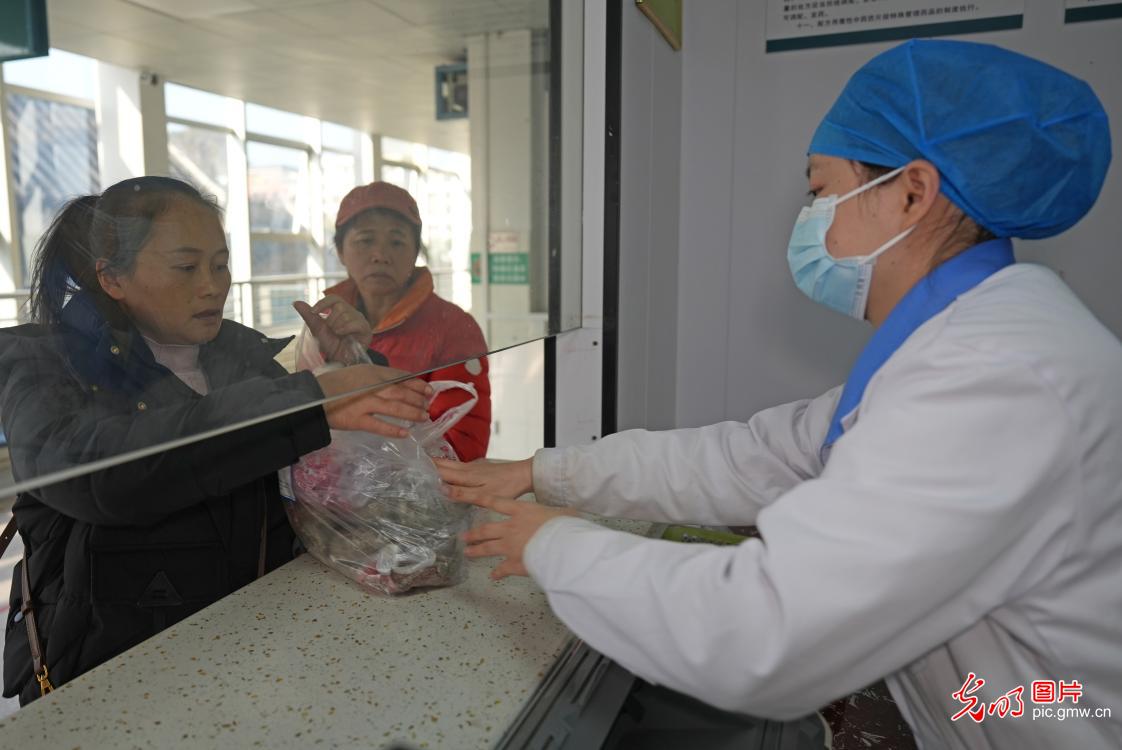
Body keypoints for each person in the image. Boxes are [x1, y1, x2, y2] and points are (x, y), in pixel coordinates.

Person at [438, 39, 1122, 748]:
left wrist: (554, 546)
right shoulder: (958, 350)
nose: (810, 219)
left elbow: (764, 632)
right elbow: (748, 458)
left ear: (912, 193)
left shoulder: (998, 379)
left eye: (821, 191)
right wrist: (543, 473)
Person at [0, 177, 431, 704]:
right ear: (112, 278)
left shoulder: (239, 351)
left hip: (249, 657)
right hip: (114, 681)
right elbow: (102, 476)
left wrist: (346, 361)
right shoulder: (45, 366)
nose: (212, 286)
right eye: (186, 267)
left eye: (221, 264)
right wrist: (308, 400)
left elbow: (334, 437)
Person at [295, 181, 491, 461]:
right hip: (336, 494)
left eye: (397, 242)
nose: (380, 256)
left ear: (414, 253)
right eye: (365, 240)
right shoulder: (326, 327)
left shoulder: (455, 328)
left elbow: (463, 448)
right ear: (340, 251)